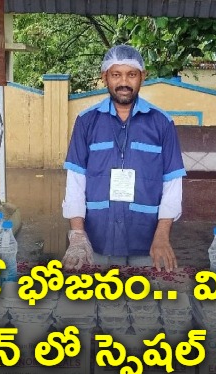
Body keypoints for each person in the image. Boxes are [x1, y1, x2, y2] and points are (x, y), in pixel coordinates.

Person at [61, 44, 186, 272]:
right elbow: (76, 180)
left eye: (131, 74)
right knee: (99, 299)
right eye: (116, 74)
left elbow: (172, 183)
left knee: (142, 301)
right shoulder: (86, 121)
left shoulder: (162, 123)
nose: (124, 83)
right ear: (105, 77)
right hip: (97, 236)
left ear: (143, 77)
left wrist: (162, 235)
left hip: (146, 238)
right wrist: (78, 235)